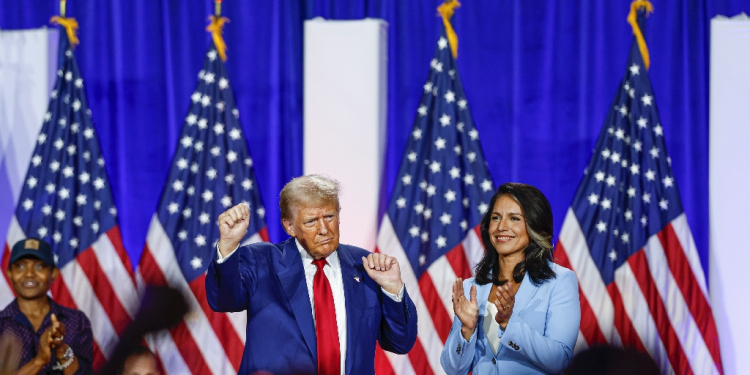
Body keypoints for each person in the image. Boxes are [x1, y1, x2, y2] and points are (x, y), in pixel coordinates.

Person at [206, 175, 418, 375]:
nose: (324, 229)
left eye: (329, 217)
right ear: (289, 226)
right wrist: (228, 245)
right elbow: (223, 300)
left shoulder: (365, 266)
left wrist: (392, 289)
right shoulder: (262, 261)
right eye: (311, 222)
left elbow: (400, 343)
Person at [440, 182, 580, 374]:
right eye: (495, 218)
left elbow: (559, 360)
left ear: (535, 225)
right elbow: (453, 369)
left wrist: (509, 323)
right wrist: (467, 330)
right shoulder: (471, 288)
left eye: (514, 218)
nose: (502, 227)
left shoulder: (560, 282)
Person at [0, 238, 93, 375]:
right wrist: (40, 360)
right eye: (20, 266)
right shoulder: (2, 325)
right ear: (10, 274)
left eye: (39, 266)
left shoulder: (76, 321)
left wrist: (61, 348)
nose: (29, 273)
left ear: (53, 273)